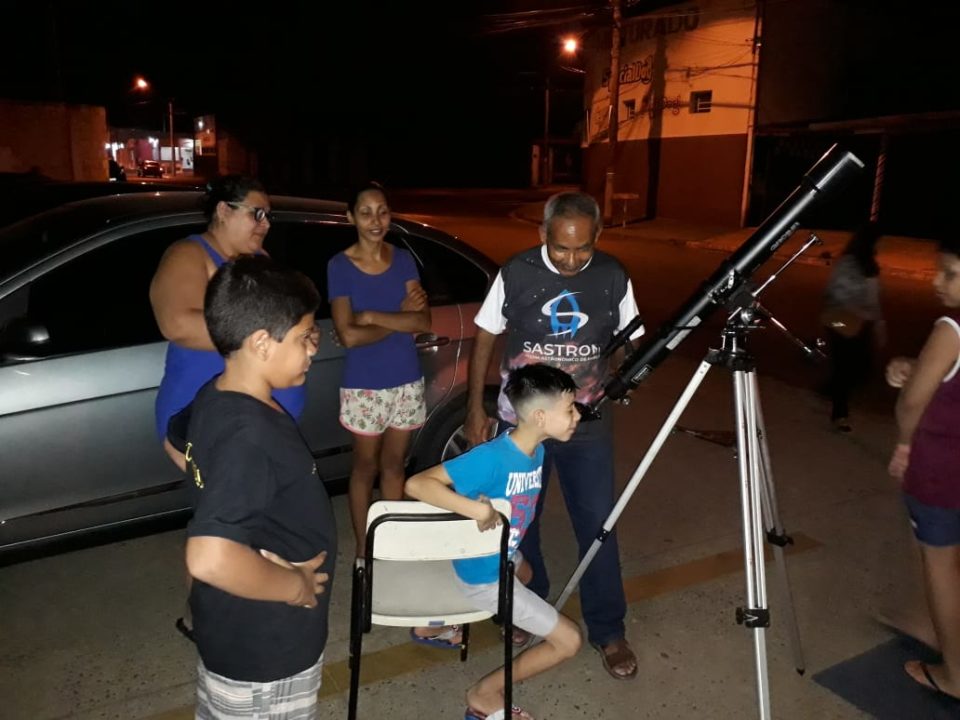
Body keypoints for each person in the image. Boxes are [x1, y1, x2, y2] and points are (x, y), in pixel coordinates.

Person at [464, 191, 643, 680]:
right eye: (560, 247)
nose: (570, 259)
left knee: (598, 526)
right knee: (521, 524)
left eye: (581, 248)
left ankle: (608, 629)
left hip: (586, 423)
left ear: (597, 239)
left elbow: (628, 339)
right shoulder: (516, 272)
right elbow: (485, 334)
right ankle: (530, 607)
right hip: (522, 426)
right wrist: (474, 408)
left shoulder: (612, 276)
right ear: (542, 234)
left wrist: (618, 377)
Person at [183, 255, 335, 720]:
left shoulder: (216, 396)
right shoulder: (247, 435)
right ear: (262, 343)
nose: (313, 348)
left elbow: (178, 440)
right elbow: (209, 557)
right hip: (266, 652)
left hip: (239, 631)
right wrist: (295, 586)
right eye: (305, 336)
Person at [406, 364, 583, 720]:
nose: (577, 415)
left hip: (503, 554)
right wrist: (474, 510)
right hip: (483, 575)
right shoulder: (492, 459)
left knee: (527, 572)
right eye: (569, 410)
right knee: (570, 641)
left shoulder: (537, 450)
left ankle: (434, 623)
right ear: (539, 416)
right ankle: (484, 694)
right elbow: (417, 485)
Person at [151, 175, 307, 473]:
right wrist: (269, 337)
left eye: (268, 216)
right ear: (223, 211)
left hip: (260, 418)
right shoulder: (188, 254)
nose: (266, 224)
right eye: (256, 214)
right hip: (208, 418)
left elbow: (281, 317)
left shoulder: (260, 258)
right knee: (234, 510)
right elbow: (178, 324)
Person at [327, 182, 430, 558]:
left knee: (394, 466)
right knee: (365, 467)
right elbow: (348, 336)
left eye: (383, 211)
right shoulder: (340, 266)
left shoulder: (402, 258)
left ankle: (394, 543)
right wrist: (398, 316)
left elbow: (422, 321)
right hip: (365, 386)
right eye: (366, 212)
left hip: (406, 379)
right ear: (351, 217)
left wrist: (371, 316)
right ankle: (364, 547)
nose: (376, 220)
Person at [886, 236, 960, 701]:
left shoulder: (952, 327)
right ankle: (939, 626)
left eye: (950, 272)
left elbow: (913, 402)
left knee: (941, 566)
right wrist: (915, 365)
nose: (936, 280)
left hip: (940, 470)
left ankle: (954, 674)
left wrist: (905, 442)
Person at [820, 221, 885, 432]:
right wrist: (878, 325)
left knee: (844, 367)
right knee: (850, 368)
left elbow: (830, 290)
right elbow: (873, 302)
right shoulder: (868, 267)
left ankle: (834, 394)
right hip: (851, 323)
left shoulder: (844, 262)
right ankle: (840, 412)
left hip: (836, 320)